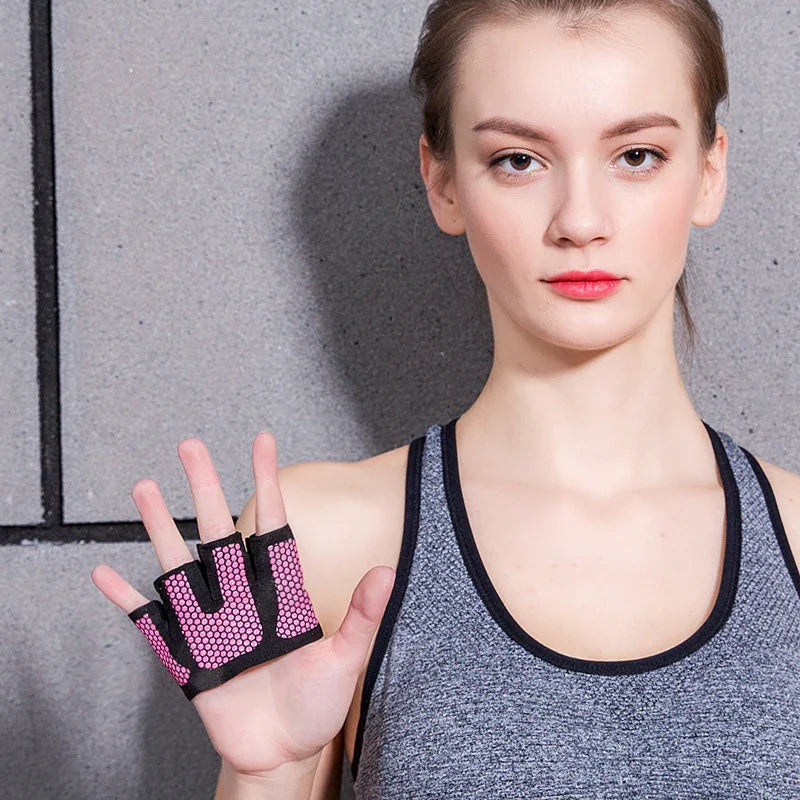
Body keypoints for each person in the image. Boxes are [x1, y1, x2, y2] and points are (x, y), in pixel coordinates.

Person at [91, 0, 800, 797]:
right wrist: (272, 772)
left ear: (709, 173)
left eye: (636, 155)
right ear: (442, 182)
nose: (580, 220)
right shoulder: (327, 541)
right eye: (518, 161)